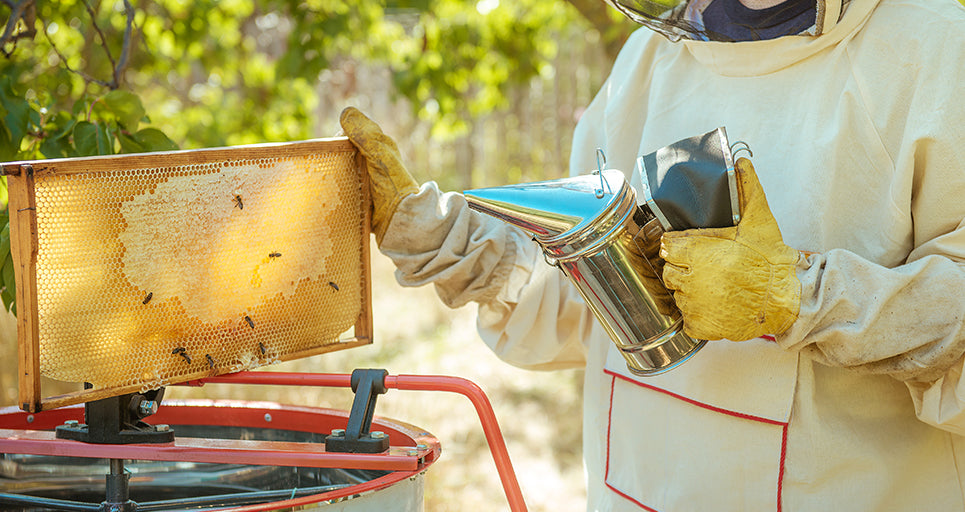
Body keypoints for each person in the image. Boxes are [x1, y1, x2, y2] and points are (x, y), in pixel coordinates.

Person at [339, 0, 965, 507]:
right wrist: (440, 237)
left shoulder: (938, 49)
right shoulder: (650, 56)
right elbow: (578, 292)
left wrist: (801, 295)